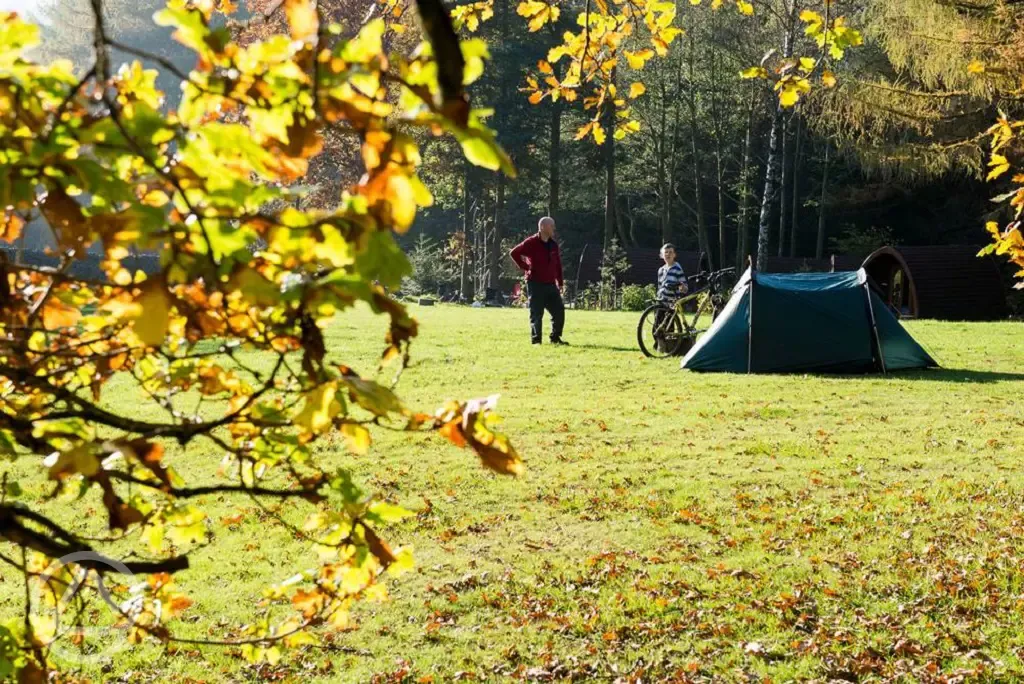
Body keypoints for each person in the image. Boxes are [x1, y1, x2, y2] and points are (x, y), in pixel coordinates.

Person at [510, 217, 567, 345]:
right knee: (537, 313)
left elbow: (558, 264)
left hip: (551, 284)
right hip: (535, 283)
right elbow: (514, 253)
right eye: (551, 226)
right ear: (542, 227)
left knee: (559, 311)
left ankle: (555, 338)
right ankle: (536, 340)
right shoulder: (531, 243)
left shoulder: (553, 245)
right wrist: (525, 267)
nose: (554, 228)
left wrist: (560, 282)